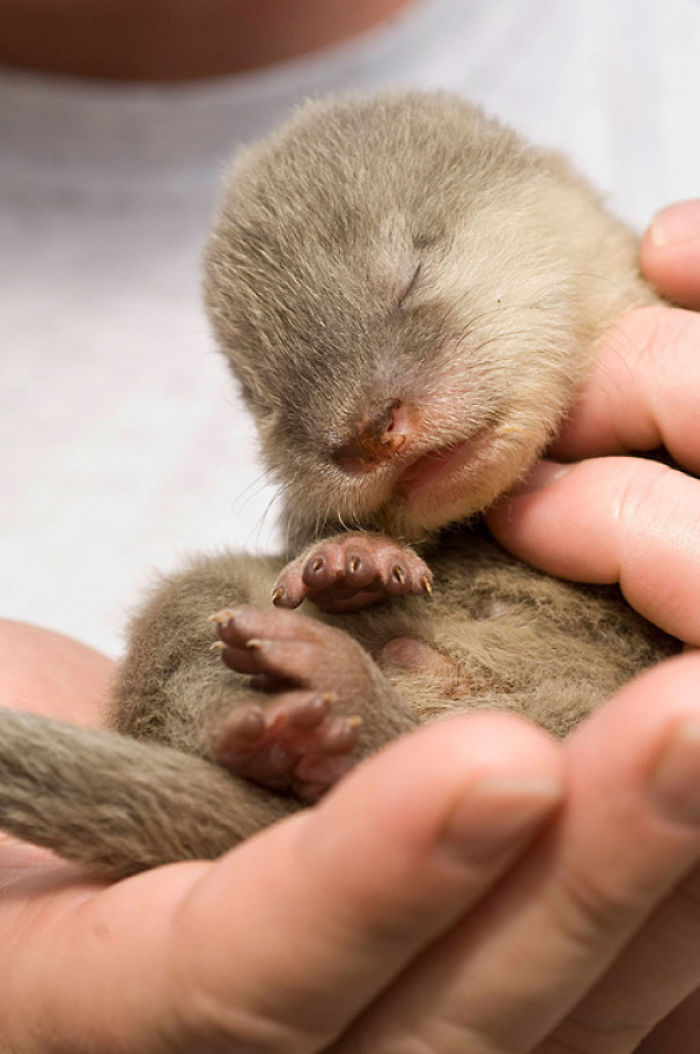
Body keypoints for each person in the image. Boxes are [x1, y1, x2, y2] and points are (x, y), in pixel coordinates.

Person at [3, 1, 700, 1049]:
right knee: (200, 605)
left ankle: (358, 733)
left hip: (573, 706)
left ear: (538, 189)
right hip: (360, 724)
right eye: (279, 408)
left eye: (412, 284)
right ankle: (322, 731)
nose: (360, 436)